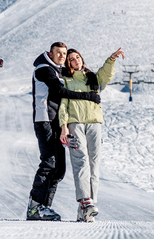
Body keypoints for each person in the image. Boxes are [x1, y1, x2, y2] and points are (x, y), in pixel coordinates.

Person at [27, 42, 101, 221]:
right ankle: (34, 207)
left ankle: (44, 208)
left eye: (64, 53)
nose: (61, 56)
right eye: (58, 53)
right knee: (49, 162)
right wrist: (88, 96)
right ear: (50, 54)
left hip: (57, 123)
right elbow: (59, 91)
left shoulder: (58, 70)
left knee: (59, 169)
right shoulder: (43, 69)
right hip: (44, 120)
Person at [59, 47, 124, 222]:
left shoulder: (92, 78)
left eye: (77, 57)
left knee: (94, 164)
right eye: (71, 59)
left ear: (82, 59)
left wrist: (111, 59)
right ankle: (85, 202)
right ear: (68, 63)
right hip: (76, 124)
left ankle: (88, 207)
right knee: (81, 162)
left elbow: (106, 75)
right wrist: (63, 126)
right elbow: (63, 104)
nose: (75, 60)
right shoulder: (67, 80)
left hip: (95, 123)